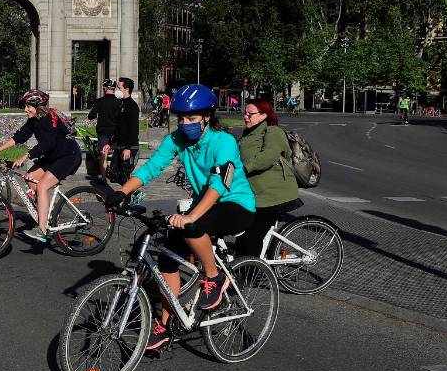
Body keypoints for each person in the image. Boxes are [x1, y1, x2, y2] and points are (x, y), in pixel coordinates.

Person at [110, 84, 255, 350]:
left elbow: (219, 183)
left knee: (192, 226)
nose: (185, 123)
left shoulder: (224, 142)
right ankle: (165, 326)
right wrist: (122, 192)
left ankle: (214, 277)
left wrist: (191, 216)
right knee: (166, 257)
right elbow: (152, 167)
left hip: (236, 204)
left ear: (207, 117)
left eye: (192, 118)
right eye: (181, 118)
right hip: (205, 205)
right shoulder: (176, 140)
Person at [0, 89, 82, 244]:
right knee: (30, 178)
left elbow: (48, 142)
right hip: (52, 156)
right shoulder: (34, 120)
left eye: (28, 106)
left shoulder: (49, 118)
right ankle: (48, 215)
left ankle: (42, 230)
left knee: (43, 186)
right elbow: (19, 137)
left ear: (38, 106)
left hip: (68, 156)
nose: (25, 110)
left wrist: (26, 156)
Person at [234, 99, 301, 258]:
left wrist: (244, 168)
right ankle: (244, 266)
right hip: (256, 194)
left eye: (250, 114)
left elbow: (269, 156)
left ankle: (252, 274)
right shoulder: (248, 134)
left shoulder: (273, 131)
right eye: (245, 113)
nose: (246, 117)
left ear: (264, 115)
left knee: (253, 236)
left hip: (274, 195)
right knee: (242, 234)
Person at [87, 79, 121, 180]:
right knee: (117, 152)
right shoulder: (119, 102)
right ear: (114, 89)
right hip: (116, 131)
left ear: (105, 88)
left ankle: (104, 177)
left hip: (103, 131)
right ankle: (117, 173)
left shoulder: (100, 101)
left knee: (103, 154)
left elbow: (91, 116)